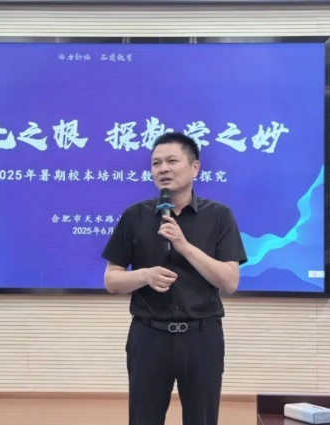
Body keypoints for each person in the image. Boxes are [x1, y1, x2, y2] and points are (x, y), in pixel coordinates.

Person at [101, 132, 247, 425]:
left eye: (171, 161)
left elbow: (230, 282)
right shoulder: (135, 216)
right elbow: (111, 281)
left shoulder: (219, 216)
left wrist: (184, 246)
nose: (163, 169)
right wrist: (144, 275)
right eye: (156, 163)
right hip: (148, 336)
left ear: (195, 168)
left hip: (202, 337)